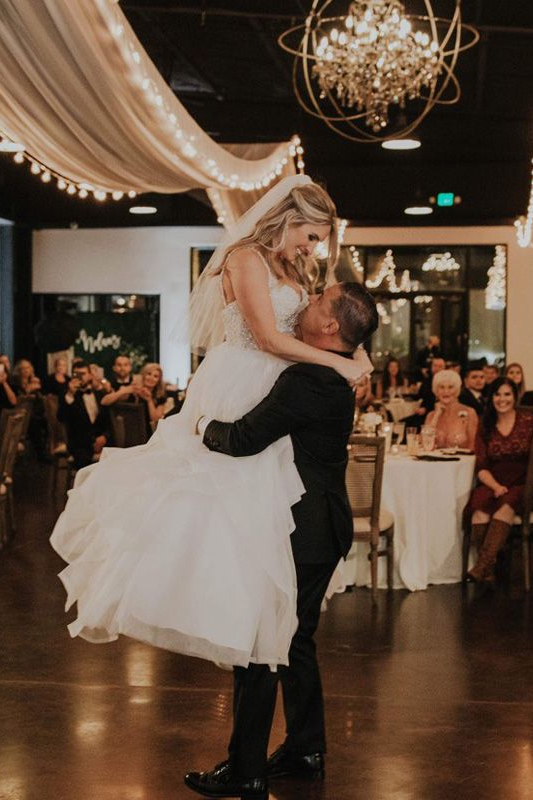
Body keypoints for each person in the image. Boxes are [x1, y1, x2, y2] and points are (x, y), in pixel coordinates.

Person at [50, 176, 372, 676]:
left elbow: (321, 326)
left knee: (265, 513)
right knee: (222, 504)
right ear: (291, 216)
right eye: (310, 235)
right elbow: (266, 337)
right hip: (244, 377)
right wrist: (339, 365)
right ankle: (225, 612)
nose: (312, 248)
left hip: (279, 382)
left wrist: (355, 354)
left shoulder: (290, 264)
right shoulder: (245, 258)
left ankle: (260, 620)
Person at [185, 280, 378, 800]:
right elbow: (357, 342)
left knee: (259, 641)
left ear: (332, 325)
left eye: (319, 301)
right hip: (323, 525)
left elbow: (242, 438)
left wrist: (198, 421)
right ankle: (305, 748)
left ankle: (245, 768)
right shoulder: (334, 371)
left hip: (303, 530)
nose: (308, 302)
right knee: (294, 640)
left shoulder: (307, 381)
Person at [467, 377, 533, 582]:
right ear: (491, 397)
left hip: (523, 482)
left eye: (507, 394)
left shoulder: (530, 421)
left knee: (505, 507)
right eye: (497, 394)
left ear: (515, 396)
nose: (502, 399)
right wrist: (495, 486)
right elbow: (481, 465)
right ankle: (489, 569)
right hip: (492, 480)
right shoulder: (485, 424)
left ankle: (481, 567)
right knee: (479, 512)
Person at [57, 360, 108, 469]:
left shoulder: (100, 393)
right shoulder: (66, 394)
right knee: (83, 462)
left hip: (102, 440)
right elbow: (61, 418)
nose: (80, 377)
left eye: (83, 374)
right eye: (76, 374)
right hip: (80, 444)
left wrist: (104, 436)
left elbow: (108, 420)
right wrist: (71, 394)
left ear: (90, 375)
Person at [423, 369, 478, 450]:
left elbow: (474, 446)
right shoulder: (431, 416)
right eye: (442, 387)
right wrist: (436, 416)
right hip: (435, 462)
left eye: (450, 387)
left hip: (462, 462)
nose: (446, 391)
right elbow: (425, 445)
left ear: (457, 390)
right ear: (436, 391)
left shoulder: (469, 413)